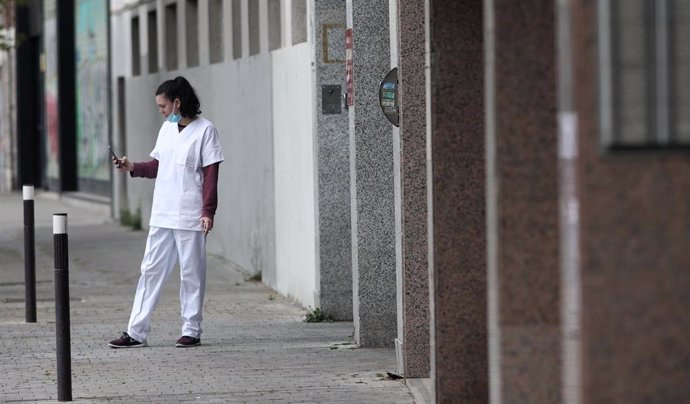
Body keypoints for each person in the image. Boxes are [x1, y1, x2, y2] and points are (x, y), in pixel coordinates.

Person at [108, 76, 224, 348]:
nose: (160, 110)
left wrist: (208, 211)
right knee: (150, 270)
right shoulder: (166, 130)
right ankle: (136, 332)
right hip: (163, 213)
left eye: (162, 105)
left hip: (190, 214)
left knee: (191, 273)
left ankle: (191, 329)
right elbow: (157, 166)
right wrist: (132, 166)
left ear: (177, 102)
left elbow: (210, 176)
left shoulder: (206, 131)